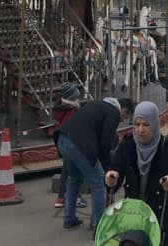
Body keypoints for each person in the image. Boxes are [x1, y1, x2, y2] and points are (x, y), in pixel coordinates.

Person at [105, 100, 168, 246]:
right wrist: (111, 178)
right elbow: (115, 170)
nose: (140, 130)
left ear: (155, 125)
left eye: (146, 125)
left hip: (165, 219)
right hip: (136, 219)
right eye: (137, 124)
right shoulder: (128, 145)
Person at [57, 96, 133, 234]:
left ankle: (69, 218)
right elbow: (105, 143)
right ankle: (99, 226)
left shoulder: (97, 104)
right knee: (98, 183)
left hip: (63, 139)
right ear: (124, 110)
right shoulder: (113, 113)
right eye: (125, 116)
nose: (122, 120)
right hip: (79, 145)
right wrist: (106, 168)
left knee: (74, 179)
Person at [52, 82, 86, 210]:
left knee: (67, 170)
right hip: (73, 142)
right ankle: (75, 197)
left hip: (63, 142)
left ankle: (61, 197)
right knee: (75, 173)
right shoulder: (72, 111)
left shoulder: (62, 109)